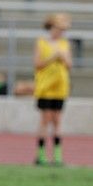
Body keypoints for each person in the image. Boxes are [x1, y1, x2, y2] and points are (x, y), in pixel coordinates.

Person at [33, 13, 72, 166]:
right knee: (45, 120)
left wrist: (62, 57)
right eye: (58, 28)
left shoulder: (64, 44)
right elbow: (37, 64)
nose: (60, 32)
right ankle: (40, 155)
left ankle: (57, 156)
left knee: (57, 121)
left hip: (60, 88)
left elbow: (69, 65)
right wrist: (52, 57)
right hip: (45, 88)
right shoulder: (41, 43)